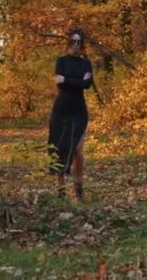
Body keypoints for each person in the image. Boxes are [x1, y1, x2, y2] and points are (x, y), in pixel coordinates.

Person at [47, 27, 93, 201]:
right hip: (61, 110)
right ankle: (61, 191)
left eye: (78, 42)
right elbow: (60, 84)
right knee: (61, 148)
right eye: (73, 41)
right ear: (68, 43)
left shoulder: (86, 63)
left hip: (78, 110)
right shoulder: (61, 61)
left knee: (77, 150)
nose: (76, 45)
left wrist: (67, 80)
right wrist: (77, 81)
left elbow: (87, 84)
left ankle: (79, 189)